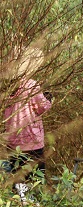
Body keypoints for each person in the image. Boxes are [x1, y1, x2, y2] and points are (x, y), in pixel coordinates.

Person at [2, 47, 51, 190]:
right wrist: (49, 99)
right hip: (31, 141)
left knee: (18, 180)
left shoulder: (6, 86)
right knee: (35, 179)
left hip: (12, 143)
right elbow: (42, 107)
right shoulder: (30, 85)